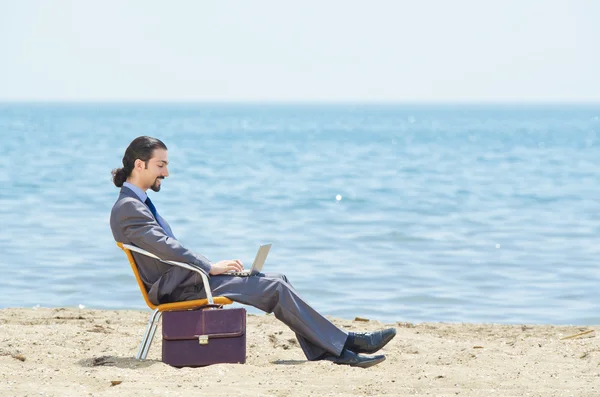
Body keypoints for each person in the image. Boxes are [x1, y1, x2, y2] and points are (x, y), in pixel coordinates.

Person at [110, 136, 396, 368]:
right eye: (161, 165)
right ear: (140, 164)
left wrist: (208, 268)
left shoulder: (136, 204)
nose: (166, 172)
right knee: (273, 287)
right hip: (178, 289)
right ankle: (344, 344)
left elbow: (164, 248)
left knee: (278, 279)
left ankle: (333, 348)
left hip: (186, 281)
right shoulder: (129, 208)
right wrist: (209, 267)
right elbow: (166, 246)